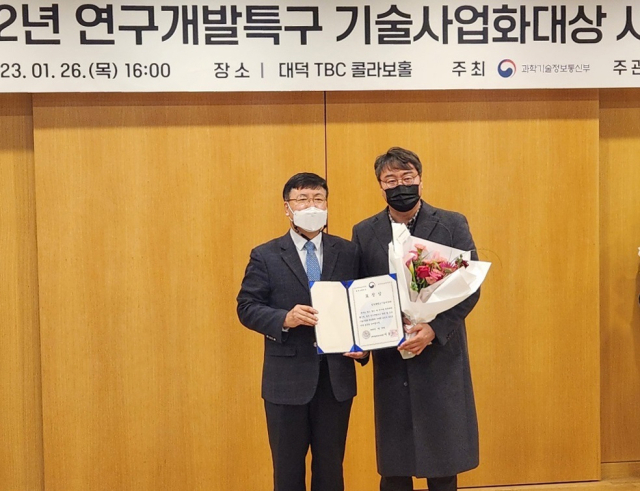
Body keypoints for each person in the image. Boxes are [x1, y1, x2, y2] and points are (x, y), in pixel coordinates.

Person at [352, 147, 481, 491]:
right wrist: (361, 341)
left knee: (443, 463)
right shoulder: (364, 231)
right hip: (392, 360)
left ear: (420, 181)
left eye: (407, 177)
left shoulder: (452, 224)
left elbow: (470, 287)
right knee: (395, 467)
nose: (400, 185)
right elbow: (360, 292)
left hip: (440, 357)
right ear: (380, 187)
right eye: (391, 180)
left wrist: (433, 329)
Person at [237, 172, 367, 491]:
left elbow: (363, 304)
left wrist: (365, 346)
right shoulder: (265, 255)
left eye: (318, 199)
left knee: (331, 470)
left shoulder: (348, 251)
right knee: (287, 472)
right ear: (287, 207)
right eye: (302, 199)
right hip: (286, 382)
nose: (312, 206)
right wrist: (285, 318)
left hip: (335, 380)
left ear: (327, 205)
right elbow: (247, 307)